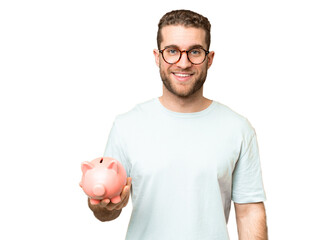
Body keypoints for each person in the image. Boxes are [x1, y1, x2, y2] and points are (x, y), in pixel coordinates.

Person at [88, 9, 268, 240]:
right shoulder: (126, 126)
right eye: (172, 51)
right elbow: (106, 211)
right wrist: (102, 206)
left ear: (209, 59)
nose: (183, 63)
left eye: (194, 51)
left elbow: (249, 212)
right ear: (157, 56)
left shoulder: (238, 129)